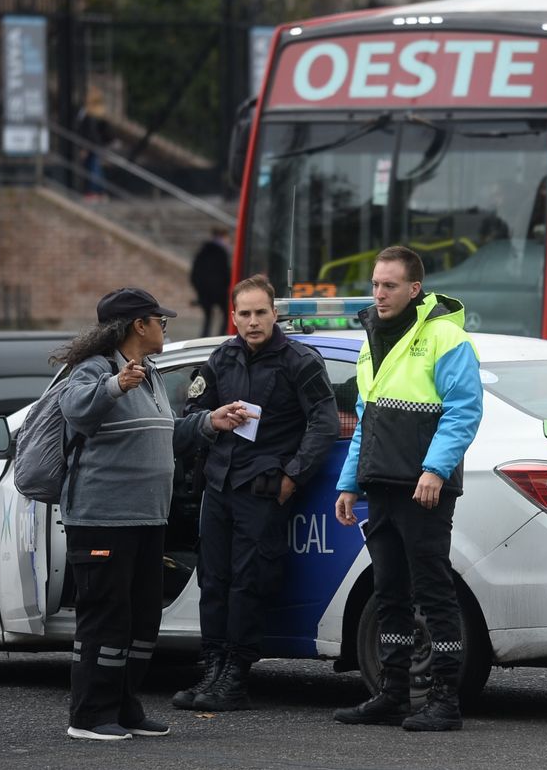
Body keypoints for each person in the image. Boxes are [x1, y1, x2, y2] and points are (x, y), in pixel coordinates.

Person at [54, 287, 236, 741]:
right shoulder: (93, 369)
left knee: (140, 621)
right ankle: (89, 716)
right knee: (105, 617)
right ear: (139, 325)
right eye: (160, 320)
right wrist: (115, 385)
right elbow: (75, 410)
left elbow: (164, 434)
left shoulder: (150, 374)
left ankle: (125, 707)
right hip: (101, 519)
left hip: (147, 518)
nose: (163, 327)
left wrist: (209, 423)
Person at [331, 245, 483, 732]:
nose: (379, 293)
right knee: (389, 591)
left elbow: (464, 409)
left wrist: (435, 470)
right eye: (375, 283)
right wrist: (349, 482)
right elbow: (366, 419)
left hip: (424, 488)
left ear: (414, 289)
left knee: (434, 593)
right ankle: (393, 694)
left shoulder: (444, 335)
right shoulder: (371, 335)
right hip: (382, 484)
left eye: (389, 285)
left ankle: (445, 700)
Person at [172, 274, 337, 712]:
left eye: (260, 312)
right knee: (214, 581)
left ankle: (236, 677)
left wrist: (293, 477)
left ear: (274, 314)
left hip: (263, 487)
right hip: (220, 483)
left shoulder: (299, 360)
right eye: (244, 314)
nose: (252, 321)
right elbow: (192, 411)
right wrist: (214, 418)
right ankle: (213, 668)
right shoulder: (221, 357)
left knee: (249, 582)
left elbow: (324, 423)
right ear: (233, 317)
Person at [190, 226, 232, 336]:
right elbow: (226, 273)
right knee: (227, 314)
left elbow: (194, 274)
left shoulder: (202, 251)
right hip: (220, 292)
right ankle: (222, 337)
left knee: (208, 317)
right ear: (222, 237)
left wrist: (199, 289)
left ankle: (204, 337)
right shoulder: (222, 253)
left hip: (204, 292)